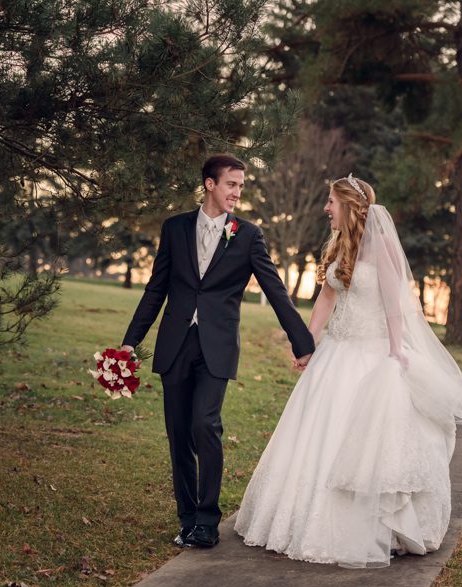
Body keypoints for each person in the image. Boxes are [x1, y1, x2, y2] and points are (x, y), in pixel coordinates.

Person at [234, 174, 462, 568]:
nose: (326, 209)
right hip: (335, 353)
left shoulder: (381, 245)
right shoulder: (338, 246)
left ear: (348, 205)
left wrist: (396, 351)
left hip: (371, 353)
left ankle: (376, 528)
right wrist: (306, 343)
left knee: (365, 441)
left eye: (331, 202)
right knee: (317, 433)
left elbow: (396, 304)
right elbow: (326, 300)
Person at [120, 154, 316, 549]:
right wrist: (130, 341)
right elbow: (156, 288)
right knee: (178, 434)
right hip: (176, 344)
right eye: (231, 184)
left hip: (217, 346)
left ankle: (208, 521)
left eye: (241, 186)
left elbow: (275, 291)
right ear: (210, 184)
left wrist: (303, 344)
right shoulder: (174, 229)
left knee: (204, 425)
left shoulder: (248, 235)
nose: (237, 193)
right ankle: (187, 518)